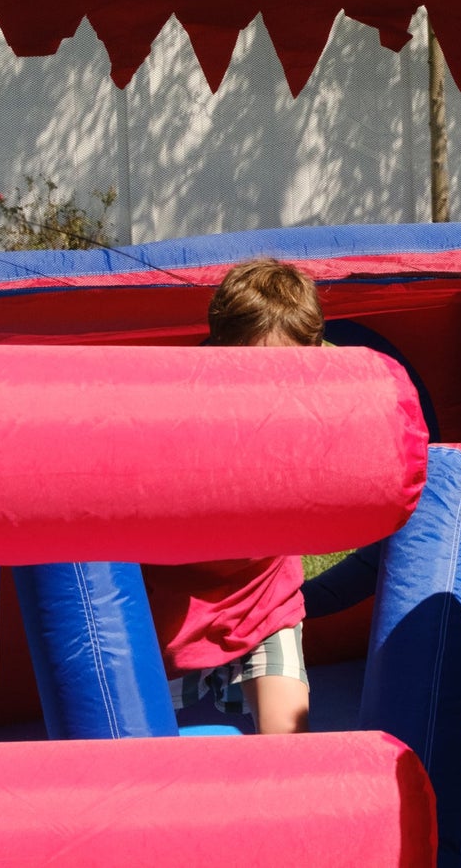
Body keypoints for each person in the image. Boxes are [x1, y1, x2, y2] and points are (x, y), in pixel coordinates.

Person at [142, 258, 318, 734]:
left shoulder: (317, 402)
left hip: (265, 603)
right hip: (177, 604)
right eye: (250, 371)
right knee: (142, 743)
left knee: (289, 742)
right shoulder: (183, 413)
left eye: (282, 374)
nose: (267, 391)